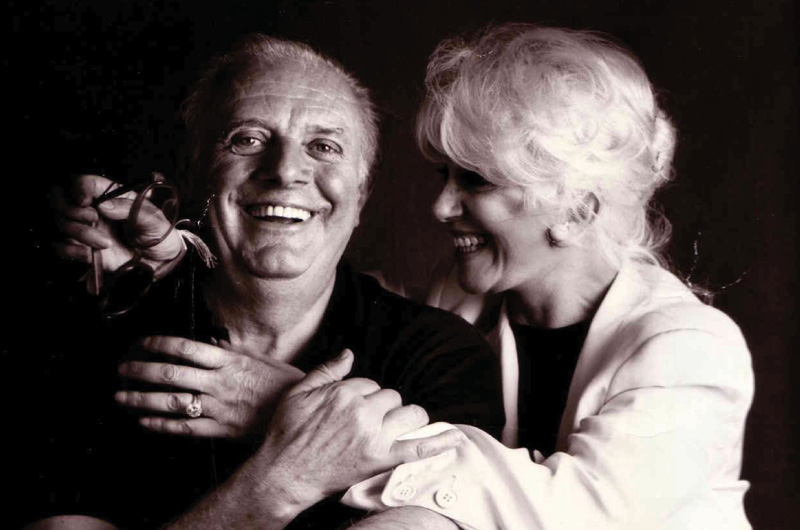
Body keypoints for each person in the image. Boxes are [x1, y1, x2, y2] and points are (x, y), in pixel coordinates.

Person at [26, 35, 504, 529]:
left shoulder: (440, 357)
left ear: (361, 196)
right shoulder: (88, 340)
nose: (285, 171)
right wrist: (282, 481)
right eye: (248, 140)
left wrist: (281, 416)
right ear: (196, 174)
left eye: (324, 147)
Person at [342, 24, 755, 529]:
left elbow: (575, 515)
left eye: (476, 180)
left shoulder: (691, 348)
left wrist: (362, 439)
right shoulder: (456, 297)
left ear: (576, 212)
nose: (441, 206)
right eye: (443, 175)